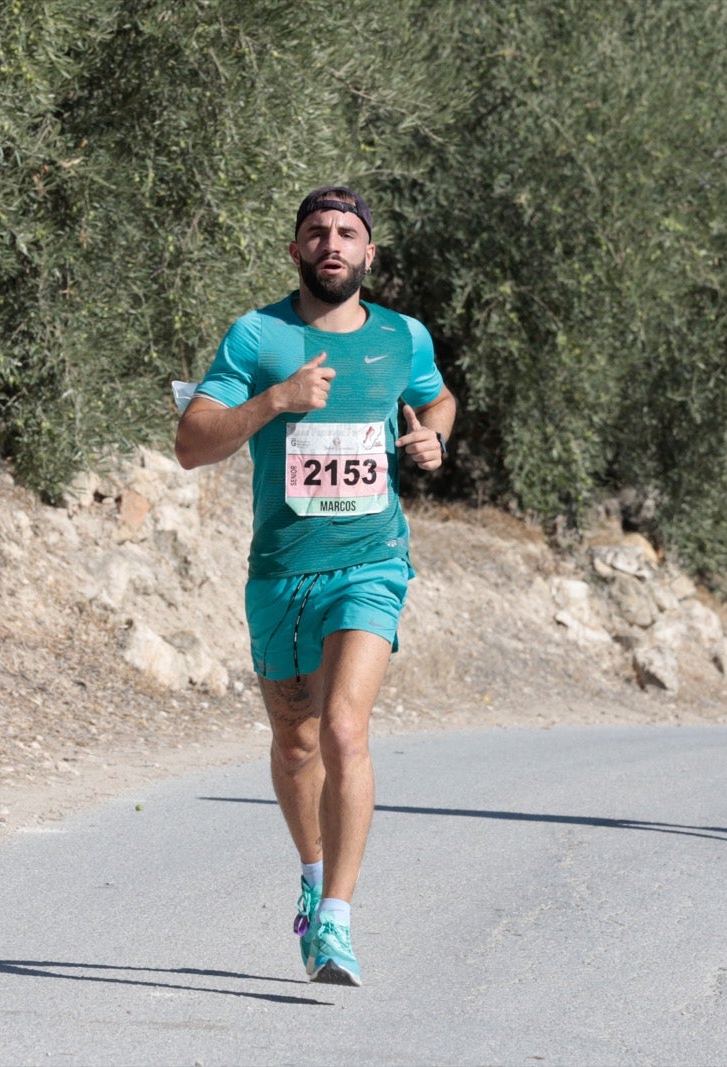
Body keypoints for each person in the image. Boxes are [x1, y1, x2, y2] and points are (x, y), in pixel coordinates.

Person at [174, 186, 456, 986]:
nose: (332, 244)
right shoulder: (258, 336)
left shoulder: (404, 336)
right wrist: (276, 400)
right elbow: (192, 443)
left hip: (372, 561)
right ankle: (309, 872)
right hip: (281, 573)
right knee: (296, 742)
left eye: (347, 233)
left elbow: (437, 398)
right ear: (296, 250)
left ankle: (336, 919)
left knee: (342, 729)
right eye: (316, 233)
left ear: (370, 253)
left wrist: (432, 440)